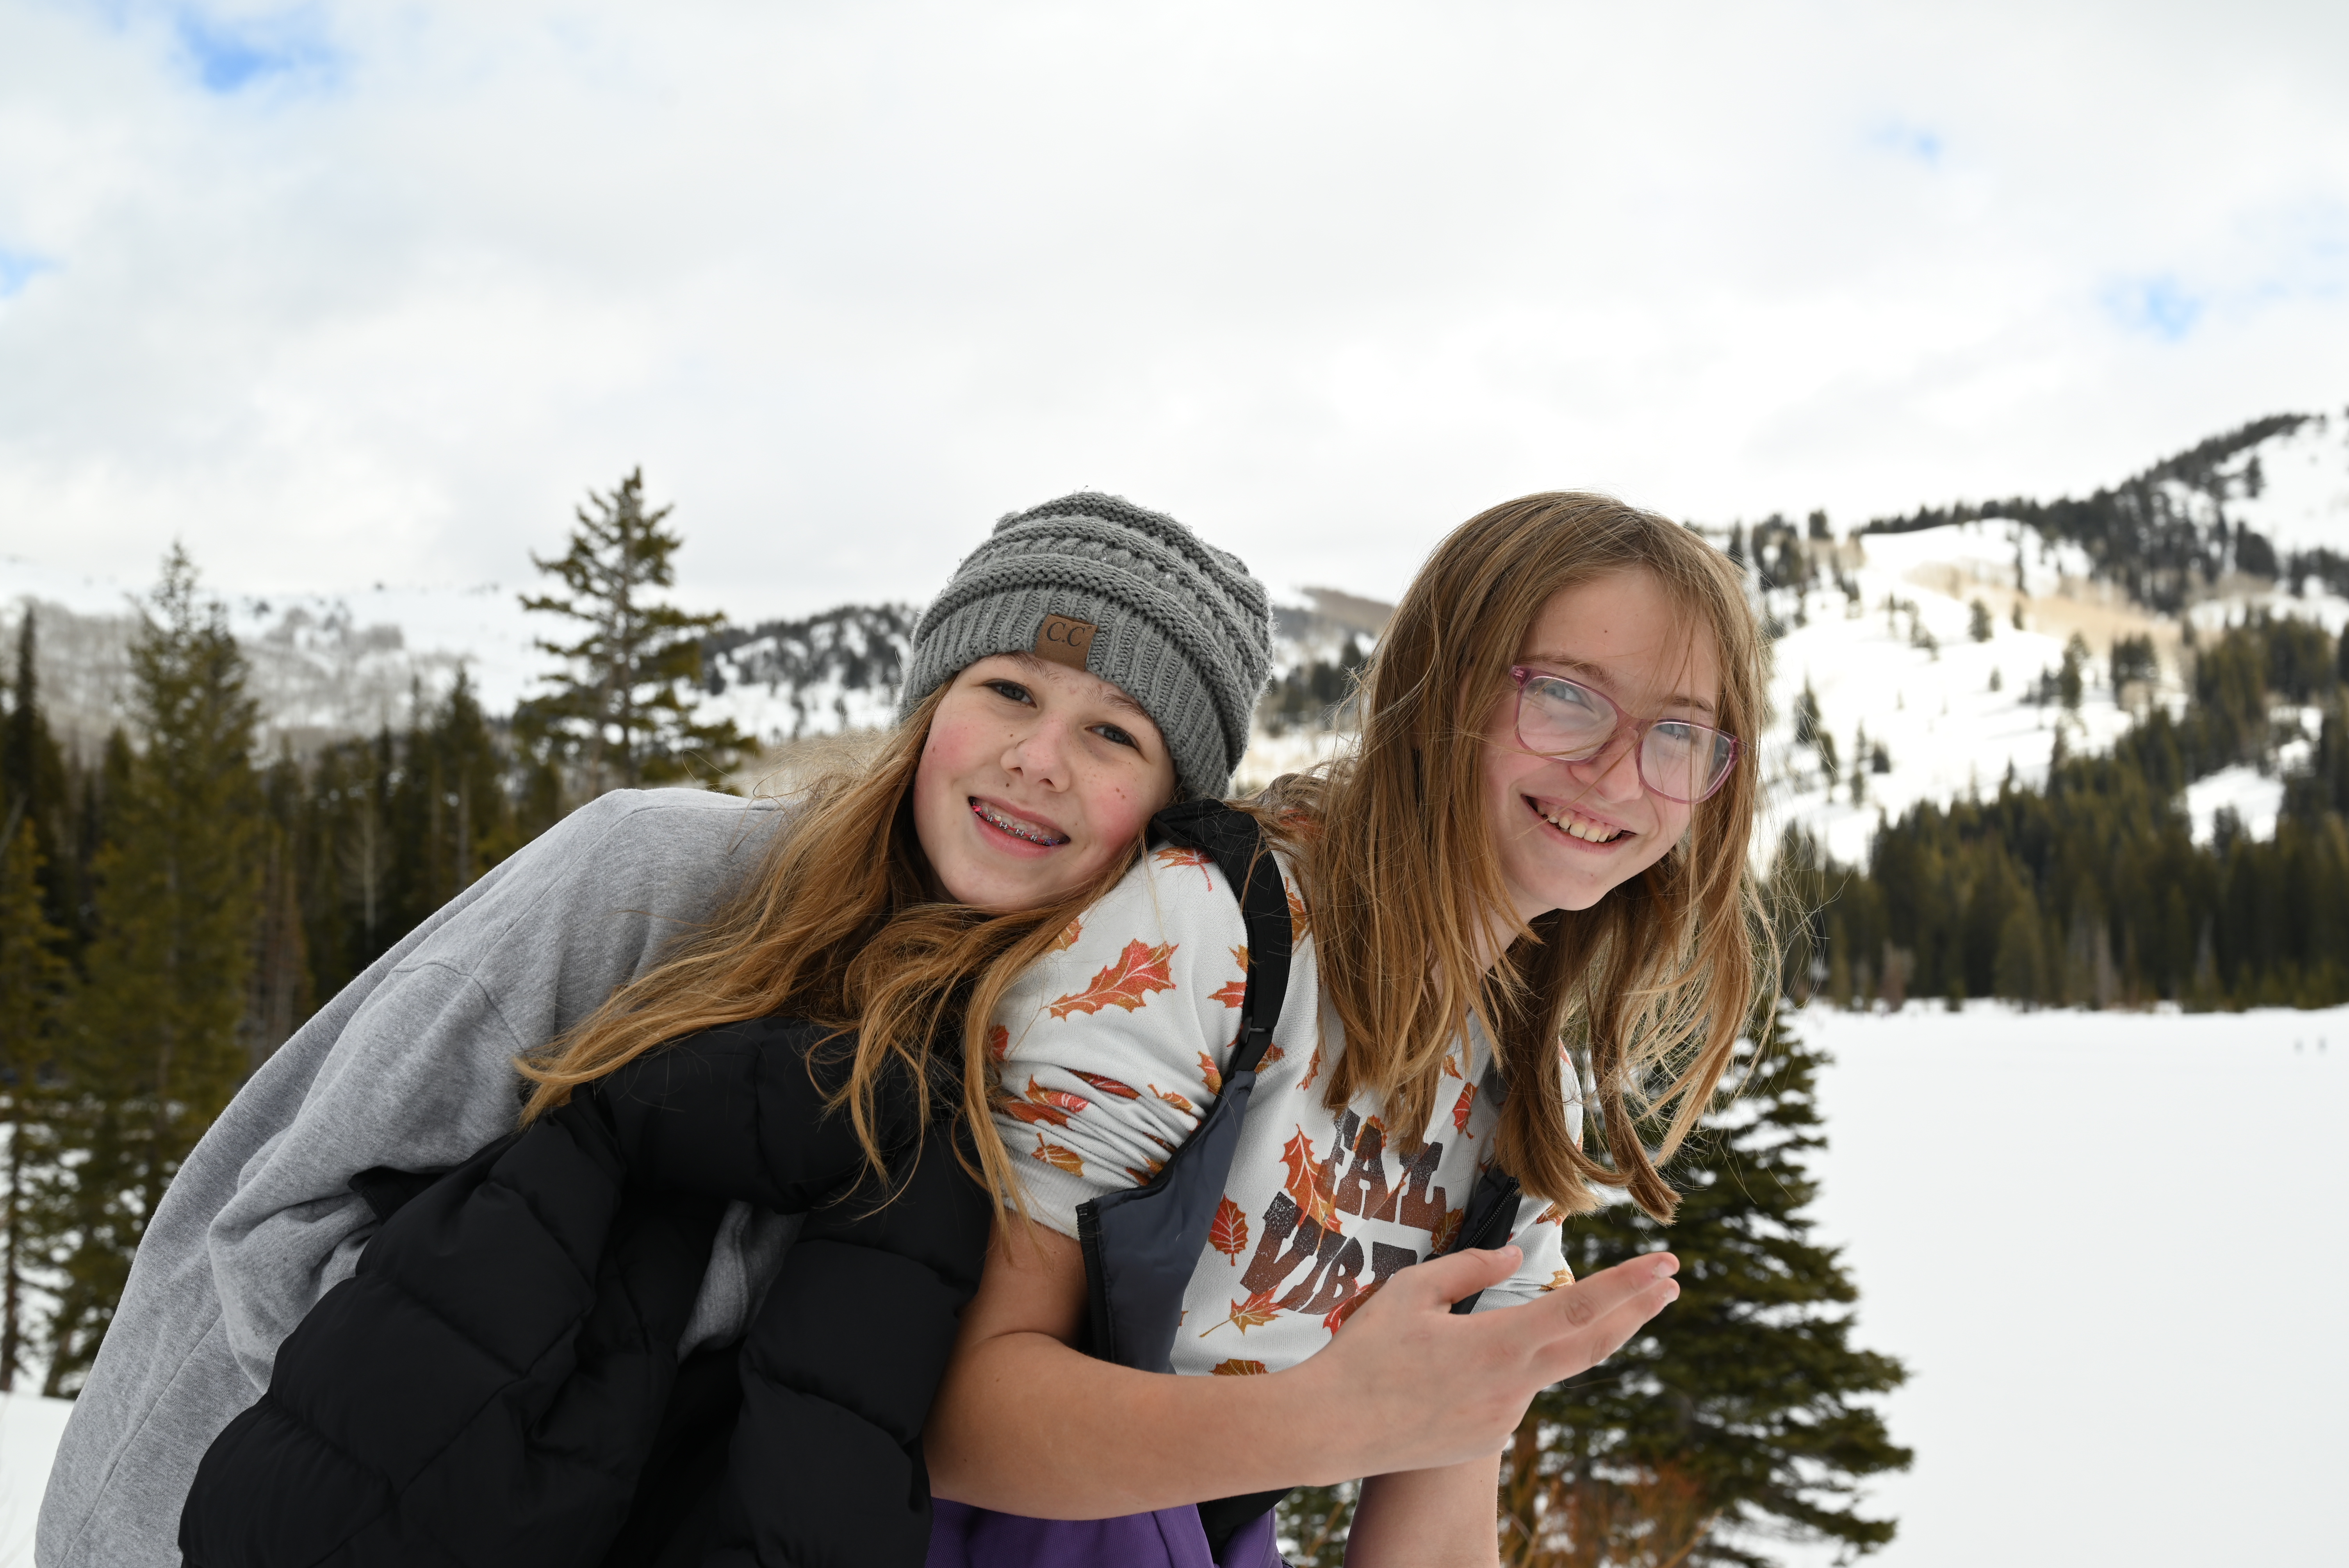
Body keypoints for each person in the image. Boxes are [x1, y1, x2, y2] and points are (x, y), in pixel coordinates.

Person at [39, 492, 1273, 1568]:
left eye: (1114, 733)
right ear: (928, 708)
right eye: (1007, 689)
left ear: (1172, 812)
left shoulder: (1076, 1069)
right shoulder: (650, 874)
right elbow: (270, 1211)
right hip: (225, 1508)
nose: (1036, 759)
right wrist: (436, 1453)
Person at [923, 491, 1770, 1567]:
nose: (1615, 772)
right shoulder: (1213, 931)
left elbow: (1441, 1499)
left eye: (1682, 736)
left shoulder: (1522, 1081)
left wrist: (1419, 1411)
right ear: (1440, 688)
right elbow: (958, 1418)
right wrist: (1336, 1420)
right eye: (1565, 696)